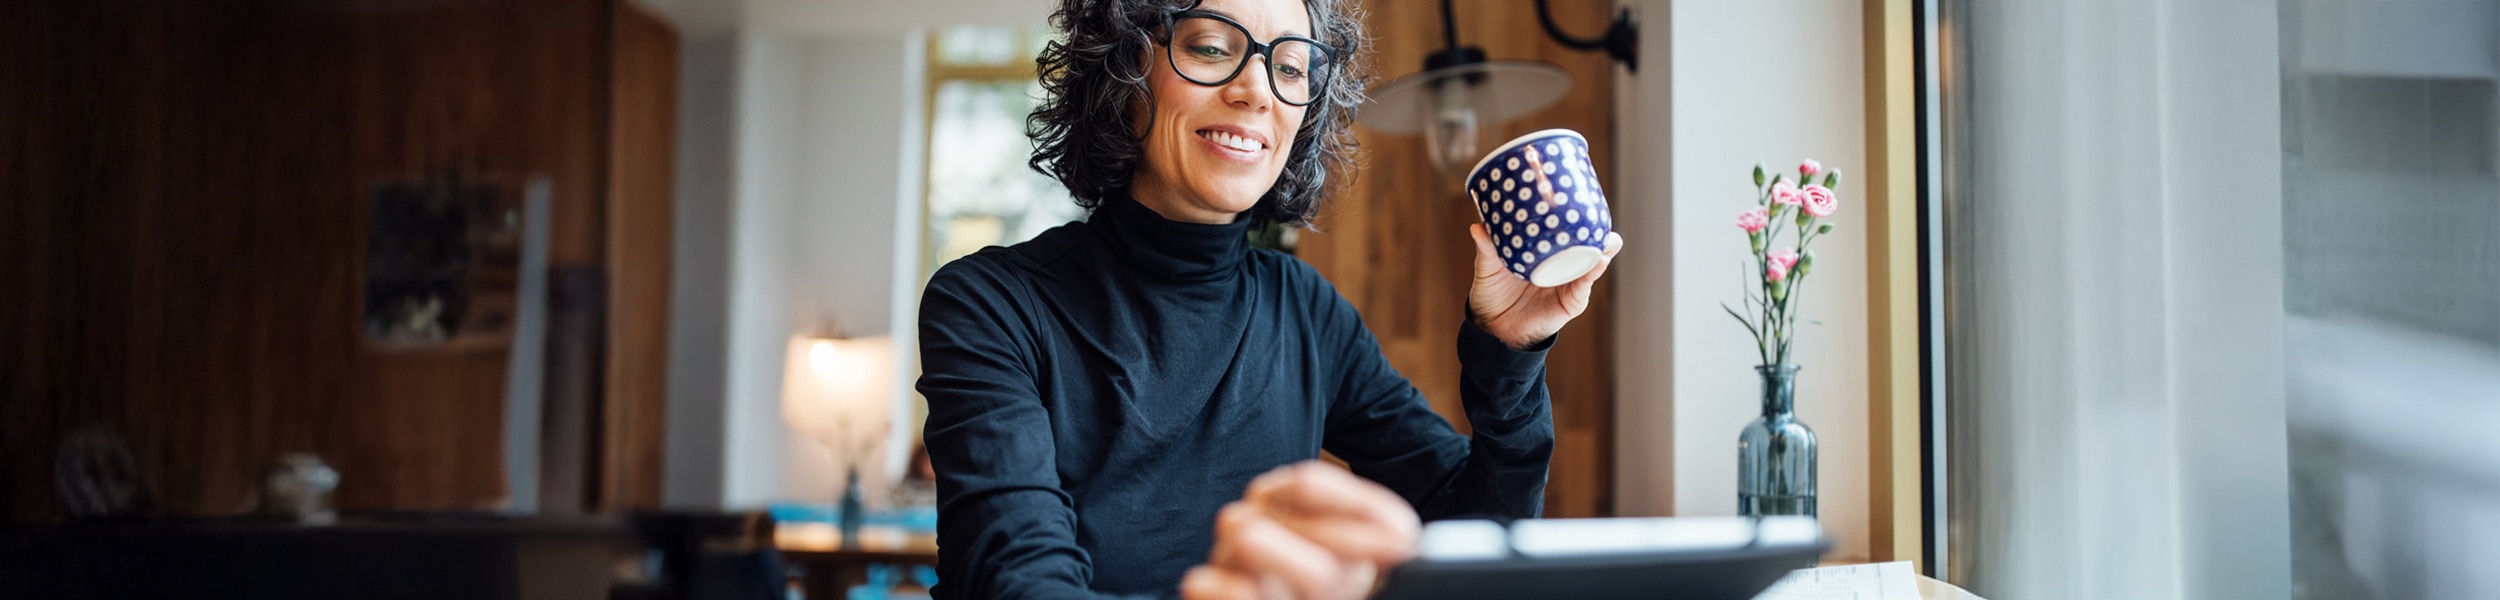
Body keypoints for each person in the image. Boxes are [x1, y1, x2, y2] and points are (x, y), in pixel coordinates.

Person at [915, 0, 1622, 597]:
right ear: (1124, 72)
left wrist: (1510, 353)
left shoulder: (1306, 310)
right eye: (1213, 47)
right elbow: (1018, 582)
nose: (1257, 89)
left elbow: (1476, 530)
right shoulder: (990, 304)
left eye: (1290, 67)